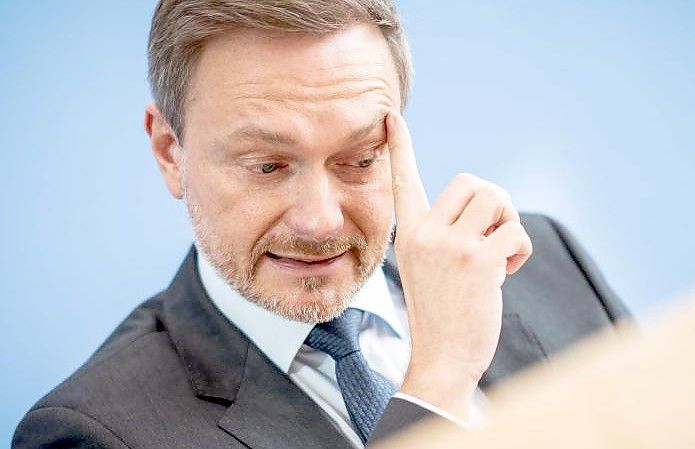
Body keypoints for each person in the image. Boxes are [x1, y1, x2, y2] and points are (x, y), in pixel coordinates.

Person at [13, 1, 630, 448]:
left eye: (360, 160)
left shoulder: (540, 262)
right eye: (266, 165)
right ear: (170, 152)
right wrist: (437, 383)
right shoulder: (91, 433)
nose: (319, 221)